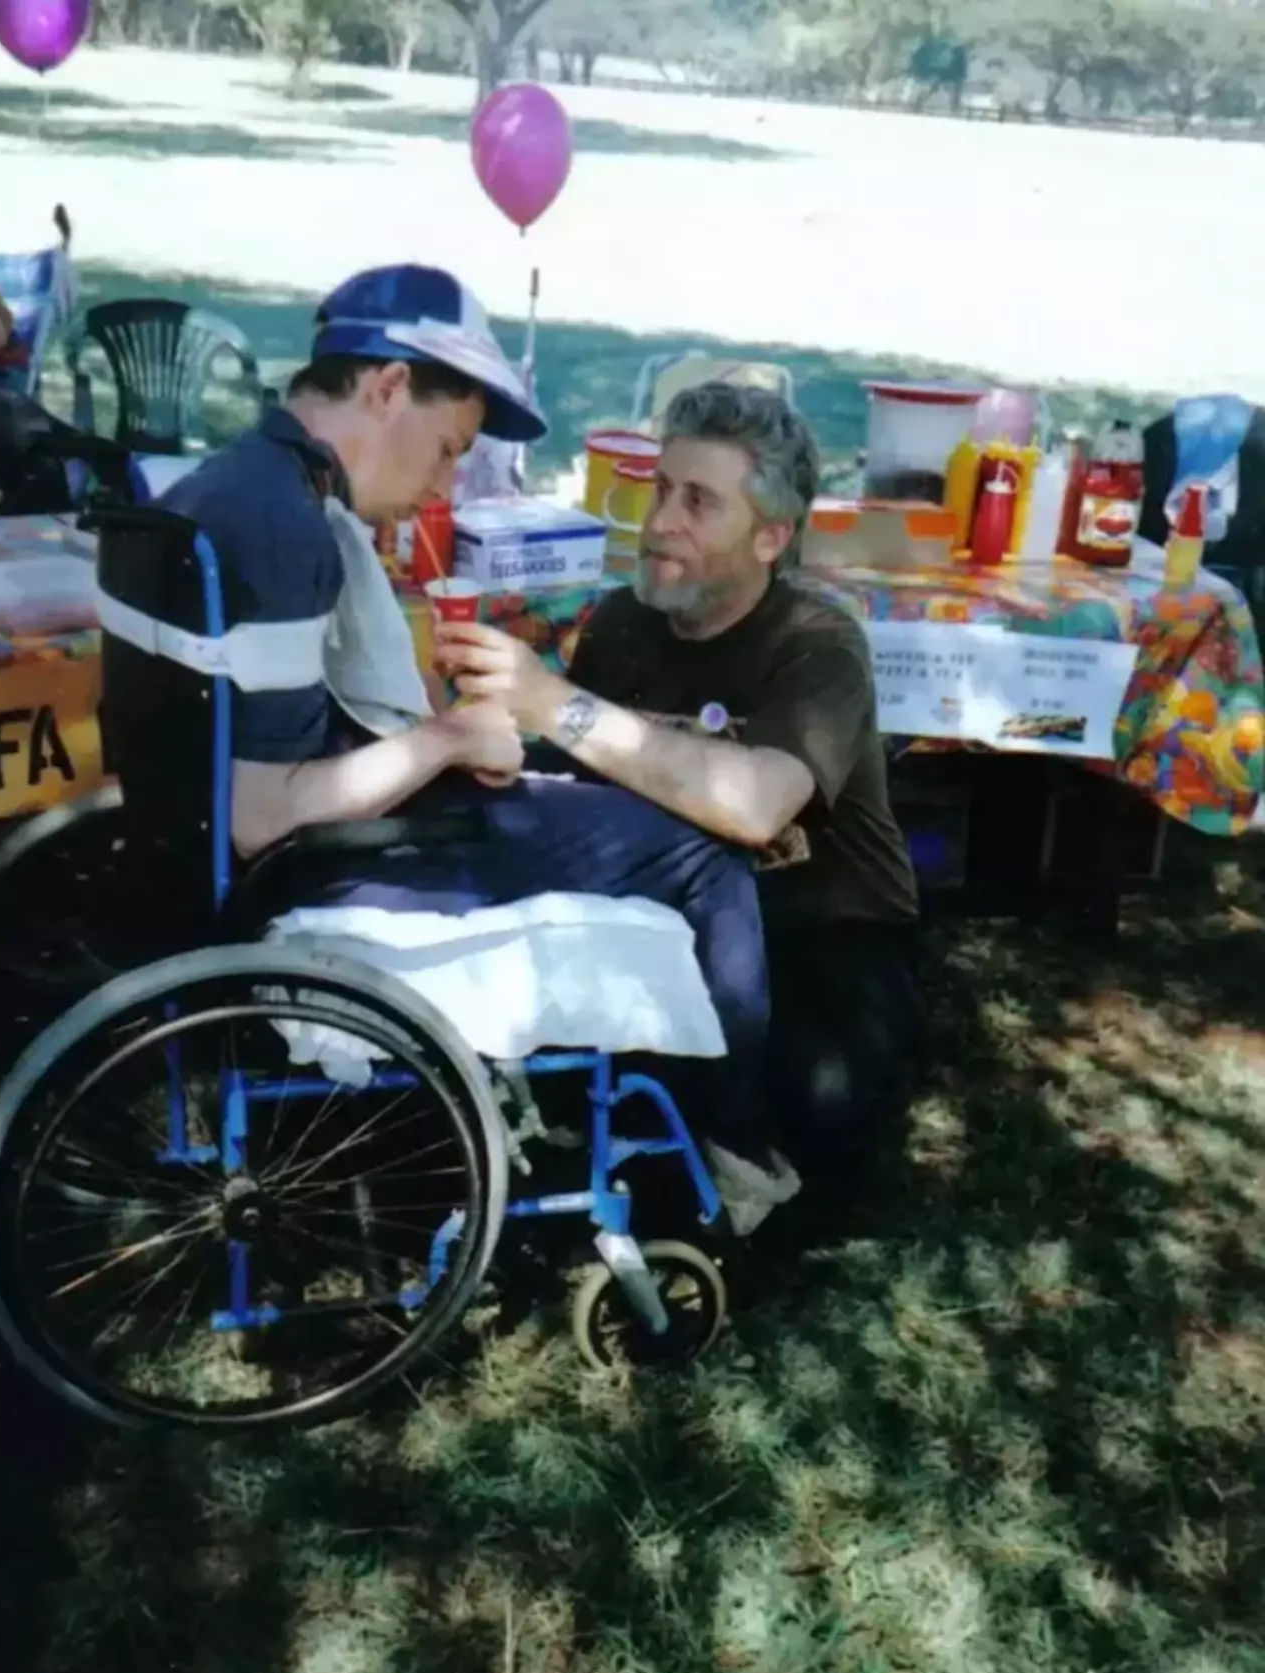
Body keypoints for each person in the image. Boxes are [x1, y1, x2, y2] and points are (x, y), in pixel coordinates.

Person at [160, 266, 796, 1233]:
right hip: (316, 870)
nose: (443, 484)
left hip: (228, 844)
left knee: (585, 799)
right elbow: (260, 815)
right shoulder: (285, 524)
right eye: (450, 452)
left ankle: (638, 1103)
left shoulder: (223, 480)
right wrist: (447, 735)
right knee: (705, 850)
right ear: (384, 389)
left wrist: (441, 749)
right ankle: (728, 1151)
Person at [439, 381, 923, 1191]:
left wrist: (553, 702)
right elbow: (583, 781)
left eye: (700, 503)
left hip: (821, 924)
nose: (661, 522)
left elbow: (757, 805)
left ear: (771, 538)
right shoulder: (626, 625)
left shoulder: (818, 643)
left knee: (821, 1105)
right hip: (670, 912)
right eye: (662, 489)